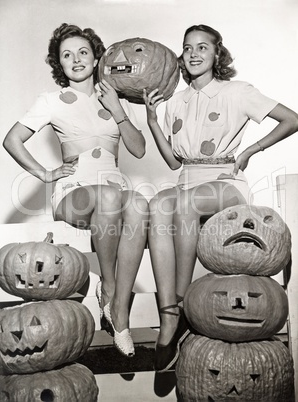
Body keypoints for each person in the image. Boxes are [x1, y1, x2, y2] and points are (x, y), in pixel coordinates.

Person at [143, 24, 298, 372]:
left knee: (184, 203)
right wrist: (152, 120)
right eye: (187, 48)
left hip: (226, 182)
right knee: (158, 205)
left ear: (217, 54)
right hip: (187, 180)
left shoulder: (237, 92)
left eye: (203, 47)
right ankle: (168, 314)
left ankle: (182, 309)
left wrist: (253, 150)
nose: (194, 54)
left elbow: (292, 119)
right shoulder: (175, 102)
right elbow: (172, 162)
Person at [3, 23, 149, 357]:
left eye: (83, 52)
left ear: (97, 57)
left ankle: (119, 314)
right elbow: (12, 140)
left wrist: (118, 110)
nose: (76, 59)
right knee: (110, 197)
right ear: (59, 63)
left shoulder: (115, 97)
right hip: (74, 188)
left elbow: (139, 149)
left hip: (113, 185)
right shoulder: (51, 100)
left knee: (139, 203)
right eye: (66, 55)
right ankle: (109, 289)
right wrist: (45, 173)